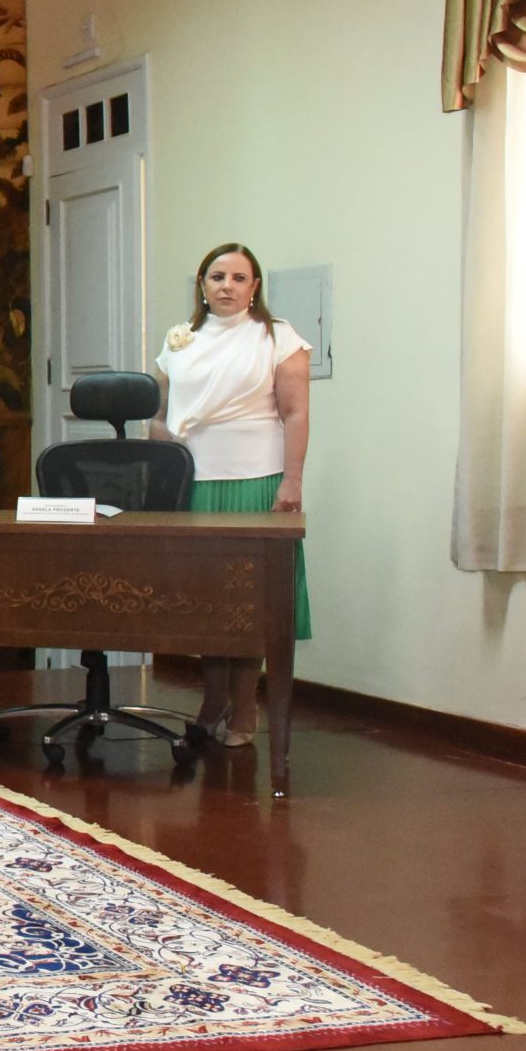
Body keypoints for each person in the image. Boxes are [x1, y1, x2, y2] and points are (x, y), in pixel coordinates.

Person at [155, 241, 312, 749]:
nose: (227, 286)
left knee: (248, 602)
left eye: (238, 278)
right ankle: (212, 699)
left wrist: (292, 480)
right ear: (201, 284)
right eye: (217, 276)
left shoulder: (278, 337)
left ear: (255, 287)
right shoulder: (179, 340)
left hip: (254, 480)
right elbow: (160, 415)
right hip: (192, 483)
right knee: (201, 600)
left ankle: (246, 708)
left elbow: (295, 413)